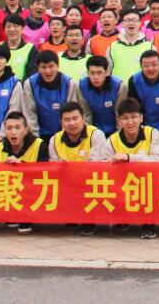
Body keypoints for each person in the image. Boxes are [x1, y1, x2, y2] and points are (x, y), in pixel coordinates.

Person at [49, 101, 113, 235]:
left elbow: (96, 164)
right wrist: (59, 165)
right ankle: (71, 214)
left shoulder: (96, 135)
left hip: (91, 180)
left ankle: (89, 219)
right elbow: (52, 167)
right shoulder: (54, 140)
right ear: (61, 123)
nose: (72, 123)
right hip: (67, 180)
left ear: (83, 118)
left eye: (75, 118)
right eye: (67, 120)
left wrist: (73, 168)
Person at [110, 98, 159, 239]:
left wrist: (129, 158)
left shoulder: (153, 134)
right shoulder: (112, 140)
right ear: (119, 121)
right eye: (125, 118)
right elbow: (101, 164)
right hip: (125, 184)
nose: (130, 122)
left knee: (149, 185)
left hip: (150, 182)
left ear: (141, 118)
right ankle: (122, 217)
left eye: (134, 117)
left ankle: (148, 223)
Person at [0, 109, 47, 235]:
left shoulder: (39, 145)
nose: (13, 132)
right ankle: (10, 214)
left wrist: (22, 166)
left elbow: (45, 172)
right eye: (9, 128)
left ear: (26, 130)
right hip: (7, 191)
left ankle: (26, 218)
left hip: (32, 190)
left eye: (17, 127)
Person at [22, 51, 77, 141]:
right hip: (39, 135)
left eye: (51, 66)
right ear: (38, 68)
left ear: (57, 66)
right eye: (43, 67)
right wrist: (35, 140)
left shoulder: (69, 84)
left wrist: (65, 138)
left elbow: (71, 114)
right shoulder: (29, 84)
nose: (48, 71)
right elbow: (29, 114)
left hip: (64, 135)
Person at [126, 50, 159, 130]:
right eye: (146, 66)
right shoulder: (134, 81)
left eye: (154, 65)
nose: (150, 69)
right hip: (142, 127)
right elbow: (134, 110)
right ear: (141, 67)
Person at [108, 9, 152, 82]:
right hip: (118, 88)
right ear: (122, 24)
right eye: (127, 20)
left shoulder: (149, 47)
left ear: (140, 23)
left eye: (134, 20)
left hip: (140, 88)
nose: (131, 23)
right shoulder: (112, 47)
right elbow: (107, 71)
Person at [2, 14, 41, 79]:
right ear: (4, 29)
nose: (12, 29)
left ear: (22, 28)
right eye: (8, 26)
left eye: (15, 26)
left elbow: (32, 75)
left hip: (23, 85)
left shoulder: (31, 49)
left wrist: (18, 84)